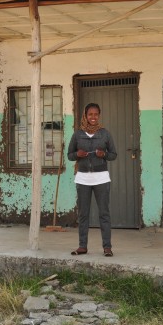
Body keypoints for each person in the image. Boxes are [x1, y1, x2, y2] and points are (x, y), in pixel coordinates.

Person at [67, 103, 117, 257]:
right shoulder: (77, 134)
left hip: (101, 178)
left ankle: (107, 247)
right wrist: (77, 155)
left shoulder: (105, 134)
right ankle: (82, 246)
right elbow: (69, 155)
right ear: (85, 116)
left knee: (104, 214)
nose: (93, 117)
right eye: (90, 114)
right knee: (83, 214)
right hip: (83, 179)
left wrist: (104, 155)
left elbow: (113, 155)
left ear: (99, 116)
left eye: (96, 114)